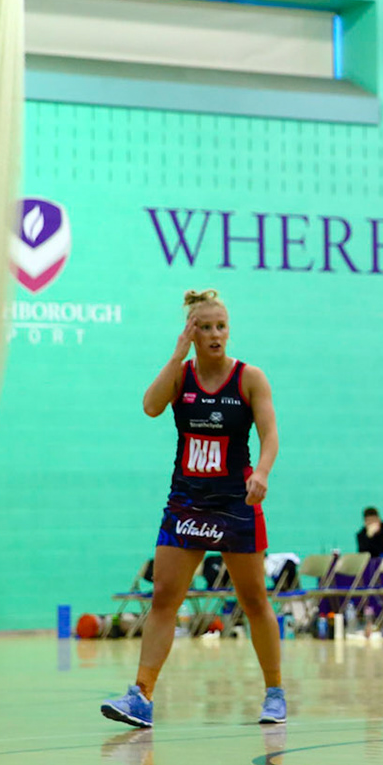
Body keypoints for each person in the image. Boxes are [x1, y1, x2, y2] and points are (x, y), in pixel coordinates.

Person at [101, 289, 284, 730]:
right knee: (164, 597)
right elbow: (149, 406)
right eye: (205, 327)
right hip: (186, 502)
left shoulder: (249, 378)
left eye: (221, 326)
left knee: (254, 599)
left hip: (236, 504)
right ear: (192, 332)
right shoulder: (182, 377)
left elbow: (270, 434)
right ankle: (141, 696)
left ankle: (274, 692)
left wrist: (261, 472)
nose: (215, 334)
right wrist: (176, 354)